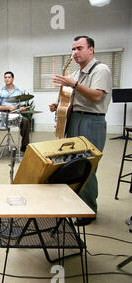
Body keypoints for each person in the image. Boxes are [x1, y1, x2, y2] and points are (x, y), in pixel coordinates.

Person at [49, 35, 112, 226]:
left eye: (79, 48)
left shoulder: (101, 70)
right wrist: (58, 104)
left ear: (90, 50)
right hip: (74, 119)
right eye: (73, 49)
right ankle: (77, 203)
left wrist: (74, 85)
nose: (75, 52)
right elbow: (72, 97)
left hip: (92, 121)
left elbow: (96, 96)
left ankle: (89, 210)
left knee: (88, 165)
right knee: (72, 163)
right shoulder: (76, 74)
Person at [0, 71, 31, 153]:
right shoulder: (0, 91)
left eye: (9, 77)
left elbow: (22, 105)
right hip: (3, 114)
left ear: (12, 79)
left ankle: (24, 145)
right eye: (5, 77)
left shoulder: (18, 91)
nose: (7, 79)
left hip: (15, 114)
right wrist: (7, 107)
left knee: (26, 121)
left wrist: (22, 108)